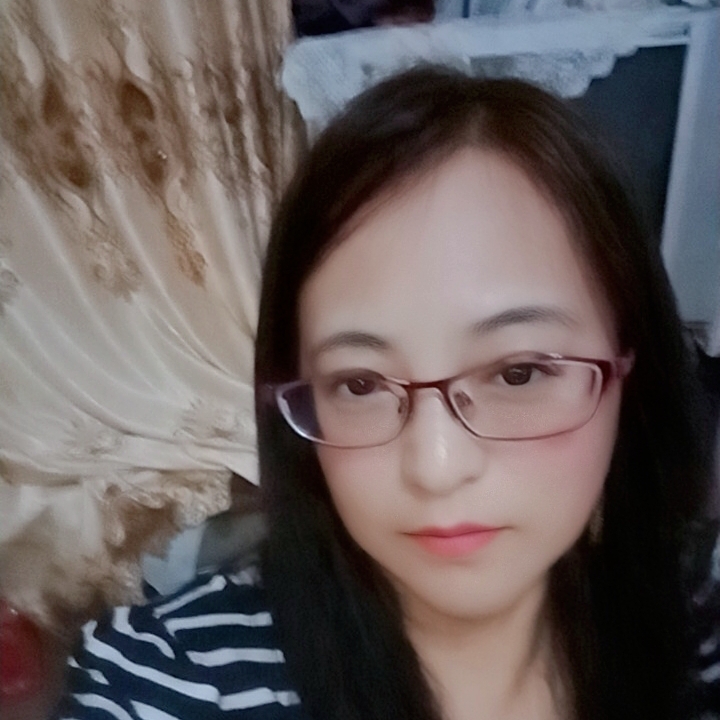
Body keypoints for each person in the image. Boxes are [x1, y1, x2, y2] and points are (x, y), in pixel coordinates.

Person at [55, 67, 719, 720]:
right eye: (360, 384)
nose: (436, 466)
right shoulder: (175, 680)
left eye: (517, 373)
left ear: (627, 371)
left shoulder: (696, 632)